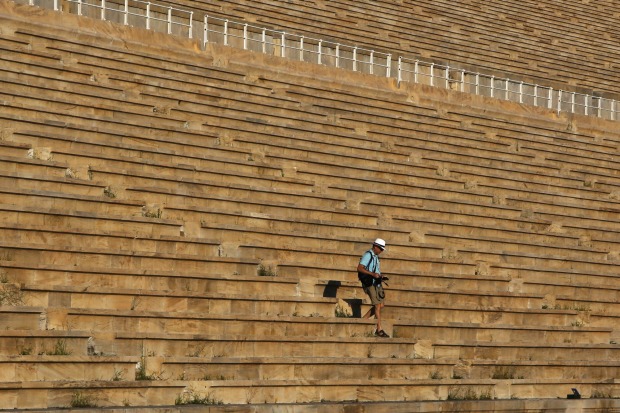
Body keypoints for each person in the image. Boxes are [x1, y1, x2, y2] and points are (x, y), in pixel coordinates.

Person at [357, 238, 389, 338]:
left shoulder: (375, 257)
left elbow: (376, 270)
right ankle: (379, 329)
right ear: (375, 247)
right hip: (370, 283)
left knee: (381, 305)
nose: (382, 251)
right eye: (381, 249)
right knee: (377, 306)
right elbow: (359, 268)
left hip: (376, 283)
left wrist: (380, 276)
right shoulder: (368, 255)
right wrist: (372, 274)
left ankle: (363, 320)